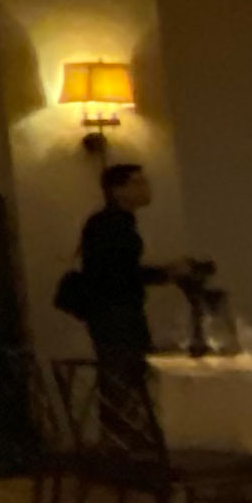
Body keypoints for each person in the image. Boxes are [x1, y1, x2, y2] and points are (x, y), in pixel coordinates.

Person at [67, 163, 167, 413]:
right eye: (137, 183)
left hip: (116, 311)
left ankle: (125, 437)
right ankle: (123, 439)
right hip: (115, 313)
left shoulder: (115, 223)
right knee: (122, 375)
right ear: (117, 190)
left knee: (125, 376)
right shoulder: (110, 225)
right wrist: (165, 273)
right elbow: (117, 272)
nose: (145, 188)